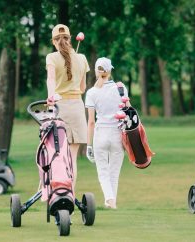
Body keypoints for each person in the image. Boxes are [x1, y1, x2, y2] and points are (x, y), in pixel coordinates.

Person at [45, 24, 90, 187]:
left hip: (59, 108)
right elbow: (83, 88)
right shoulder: (82, 58)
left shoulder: (51, 57)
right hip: (77, 107)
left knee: (55, 155)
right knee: (72, 159)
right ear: (69, 39)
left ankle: (54, 194)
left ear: (54, 41)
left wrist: (51, 95)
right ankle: (70, 196)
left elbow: (50, 79)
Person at [85, 57, 130, 209]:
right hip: (117, 134)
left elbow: (91, 122)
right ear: (110, 70)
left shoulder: (91, 92)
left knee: (103, 173)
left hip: (100, 135)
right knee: (114, 173)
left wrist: (88, 145)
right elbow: (128, 109)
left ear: (97, 71)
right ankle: (112, 202)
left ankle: (110, 201)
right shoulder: (121, 87)